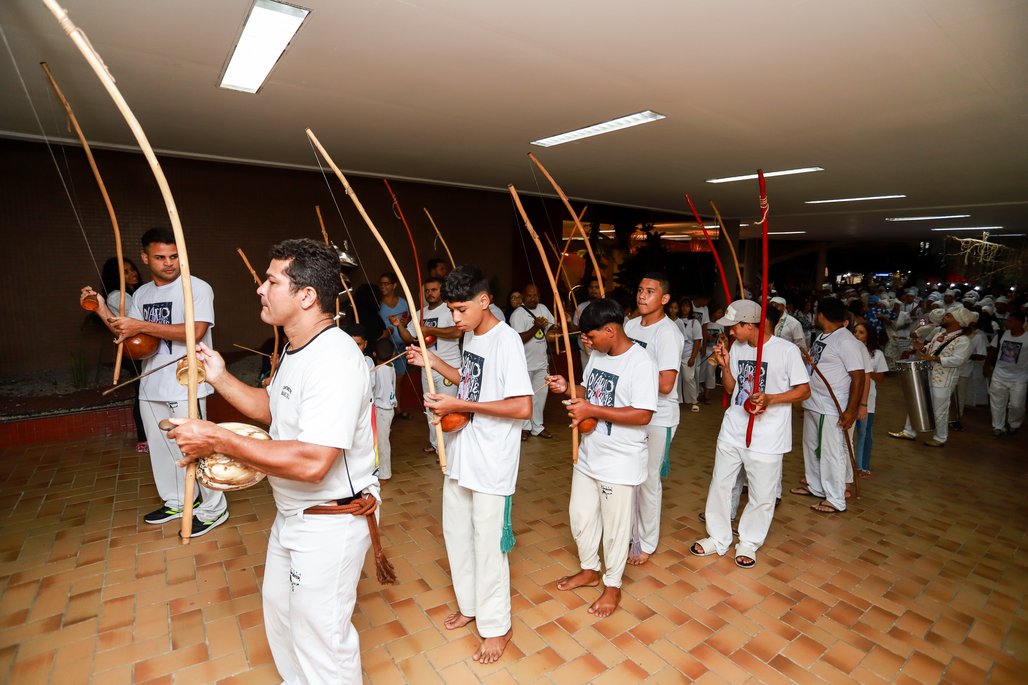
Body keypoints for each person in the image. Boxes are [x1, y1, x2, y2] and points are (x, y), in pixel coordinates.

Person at [168, 238, 380, 684]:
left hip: (330, 520)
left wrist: (216, 437)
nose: (261, 289)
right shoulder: (296, 348)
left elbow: (313, 462)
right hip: (293, 514)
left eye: (272, 280)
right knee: (283, 618)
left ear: (306, 295)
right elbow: (272, 410)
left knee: (322, 639)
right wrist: (220, 376)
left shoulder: (336, 360)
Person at [406, 265, 532, 664]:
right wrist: (433, 364)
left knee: (488, 543)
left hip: (493, 459)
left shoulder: (506, 340)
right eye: (451, 310)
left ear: (484, 300)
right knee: (456, 532)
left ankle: (497, 626)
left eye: (461, 310)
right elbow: (470, 381)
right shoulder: (473, 337)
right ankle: (470, 605)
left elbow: (521, 406)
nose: (455, 319)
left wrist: (460, 405)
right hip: (463, 453)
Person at [80, 228, 227, 535]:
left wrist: (142, 324)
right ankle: (176, 500)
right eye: (160, 257)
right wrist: (101, 308)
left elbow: (195, 332)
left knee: (196, 445)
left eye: (174, 256)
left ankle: (214, 507)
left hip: (186, 380)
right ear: (146, 258)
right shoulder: (143, 294)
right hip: (151, 382)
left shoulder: (196, 287)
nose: (169, 263)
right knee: (162, 448)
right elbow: (127, 333)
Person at [546, 298, 657, 615]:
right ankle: (589, 570)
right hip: (589, 454)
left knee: (616, 528)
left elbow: (643, 414)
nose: (587, 342)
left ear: (610, 330)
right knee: (580, 517)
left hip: (620, 461)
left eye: (591, 336)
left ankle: (613, 586)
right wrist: (568, 387)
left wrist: (592, 409)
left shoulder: (641, 363)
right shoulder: (598, 354)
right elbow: (588, 390)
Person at [692, 300, 809, 567]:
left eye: (735, 327)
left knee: (762, 494)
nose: (731, 333)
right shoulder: (738, 348)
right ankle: (718, 537)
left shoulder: (786, 351)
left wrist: (771, 398)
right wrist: (724, 365)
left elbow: (804, 390)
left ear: (750, 324)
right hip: (734, 428)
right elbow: (733, 389)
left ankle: (748, 542)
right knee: (720, 483)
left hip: (767, 436)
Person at [623, 273, 684, 565]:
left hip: (659, 416)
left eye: (650, 291)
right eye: (640, 289)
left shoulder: (668, 333)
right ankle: (629, 533)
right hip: (633, 410)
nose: (642, 296)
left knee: (648, 480)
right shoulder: (631, 325)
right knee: (629, 475)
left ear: (664, 299)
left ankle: (646, 541)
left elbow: (666, 384)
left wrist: (631, 379)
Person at [791, 297, 865, 514]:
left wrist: (851, 410)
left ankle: (835, 498)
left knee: (831, 452)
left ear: (821, 314)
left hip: (832, 407)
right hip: (814, 402)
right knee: (811, 447)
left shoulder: (846, 341)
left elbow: (859, 377)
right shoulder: (824, 336)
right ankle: (816, 486)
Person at [392, 276, 461, 454]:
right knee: (430, 406)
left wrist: (430, 330)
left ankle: (447, 450)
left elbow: (457, 332)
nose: (430, 294)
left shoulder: (449, 310)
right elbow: (410, 338)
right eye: (427, 291)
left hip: (448, 366)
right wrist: (399, 326)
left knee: (447, 407)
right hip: (427, 367)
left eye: (434, 290)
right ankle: (436, 443)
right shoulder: (420, 313)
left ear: (441, 290)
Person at [888, 308, 975, 446]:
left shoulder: (963, 340)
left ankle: (940, 438)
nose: (945, 317)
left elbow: (958, 360)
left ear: (958, 322)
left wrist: (935, 358)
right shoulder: (940, 334)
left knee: (939, 410)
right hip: (927, 375)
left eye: (949, 316)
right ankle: (908, 431)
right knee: (916, 401)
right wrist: (920, 347)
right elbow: (928, 350)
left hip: (944, 380)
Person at [100, 255, 148, 452]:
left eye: (132, 269)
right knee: (143, 394)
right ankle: (144, 439)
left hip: (139, 349)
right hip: (135, 350)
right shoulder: (118, 296)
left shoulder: (132, 293)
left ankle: (147, 437)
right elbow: (135, 325)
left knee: (144, 391)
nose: (133, 273)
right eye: (125, 272)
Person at [508, 283, 555, 440]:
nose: (532, 298)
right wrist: (536, 328)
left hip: (541, 363)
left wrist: (553, 332)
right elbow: (518, 339)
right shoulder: (518, 314)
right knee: (524, 397)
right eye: (529, 295)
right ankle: (523, 427)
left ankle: (537, 427)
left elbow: (553, 326)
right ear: (523, 296)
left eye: (535, 295)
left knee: (540, 395)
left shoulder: (543, 309)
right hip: (524, 364)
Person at [852, 322, 888, 476]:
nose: (857, 335)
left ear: (869, 335)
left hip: (868, 398)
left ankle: (863, 465)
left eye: (861, 332)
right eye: (855, 331)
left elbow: (880, 377)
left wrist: (867, 371)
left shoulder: (876, 354)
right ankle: (849, 464)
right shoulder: (851, 350)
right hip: (850, 396)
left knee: (864, 432)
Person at [987, 311, 1028, 437]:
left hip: (1019, 377)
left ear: (1020, 323)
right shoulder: (1001, 334)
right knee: (997, 402)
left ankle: (1014, 424)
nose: (1007, 323)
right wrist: (986, 365)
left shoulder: (1027, 338)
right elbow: (993, 350)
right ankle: (998, 427)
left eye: (1010, 321)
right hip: (999, 375)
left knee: (1017, 405)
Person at [373, 338, 397, 480]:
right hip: (388, 409)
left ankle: (385, 474)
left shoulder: (377, 370)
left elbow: (373, 388)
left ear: (374, 354)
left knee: (382, 443)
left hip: (382, 409)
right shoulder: (391, 366)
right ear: (393, 354)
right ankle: (379, 470)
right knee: (382, 441)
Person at [377, 272, 410, 376]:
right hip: (385, 349)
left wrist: (407, 321)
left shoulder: (402, 302)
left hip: (401, 347)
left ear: (394, 285)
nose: (382, 286)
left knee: (399, 378)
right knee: (386, 379)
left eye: (386, 283)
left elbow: (408, 318)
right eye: (381, 283)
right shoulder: (378, 304)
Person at [676, 297, 703, 413]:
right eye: (682, 306)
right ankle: (676, 402)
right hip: (676, 354)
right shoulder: (675, 320)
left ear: (690, 308)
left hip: (688, 354)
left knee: (688, 378)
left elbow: (697, 340)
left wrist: (693, 357)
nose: (684, 308)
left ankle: (694, 401)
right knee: (676, 380)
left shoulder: (694, 322)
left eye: (687, 306)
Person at [698, 305, 725, 404]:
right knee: (700, 373)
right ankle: (699, 394)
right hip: (703, 352)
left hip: (713, 354)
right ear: (713, 312)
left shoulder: (721, 324)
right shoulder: (706, 323)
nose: (721, 314)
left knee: (710, 374)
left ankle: (706, 395)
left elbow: (723, 338)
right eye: (719, 312)